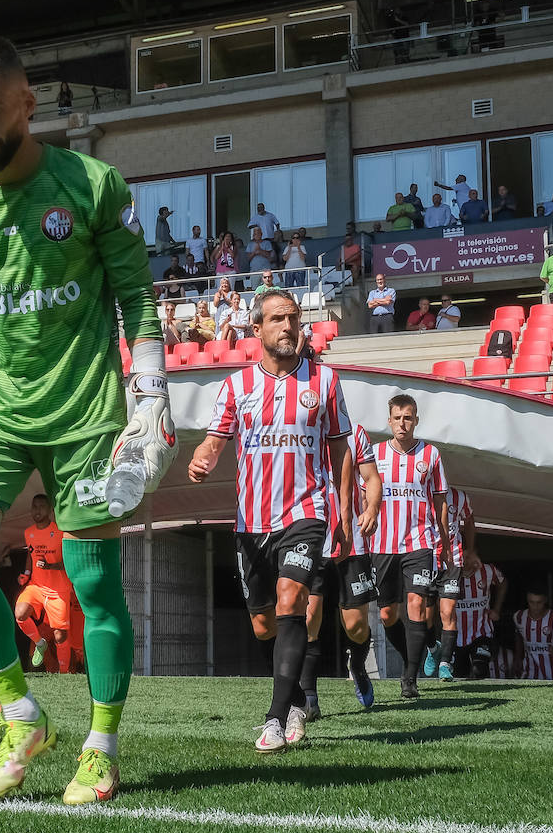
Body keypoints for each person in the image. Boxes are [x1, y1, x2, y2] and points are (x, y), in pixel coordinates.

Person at [0, 35, 174, 806]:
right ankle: (21, 714)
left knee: (94, 582)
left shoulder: (92, 185)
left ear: (28, 104)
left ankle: (101, 746)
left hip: (87, 414)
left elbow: (137, 295)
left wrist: (152, 393)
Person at [188, 290, 353, 752]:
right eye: (278, 318)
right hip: (252, 521)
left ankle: (276, 719)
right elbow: (213, 442)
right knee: (264, 624)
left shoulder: (325, 382)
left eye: (294, 318)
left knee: (292, 598)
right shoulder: (236, 386)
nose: (288, 325)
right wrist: (201, 459)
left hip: (307, 511)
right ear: (256, 329)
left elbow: (340, 449)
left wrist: (341, 509)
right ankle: (297, 698)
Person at [369, 394, 450, 698]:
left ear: (416, 420)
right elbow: (365, 498)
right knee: (388, 614)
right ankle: (411, 659)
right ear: (389, 421)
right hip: (382, 544)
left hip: (420, 541)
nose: (403, 423)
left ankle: (409, 678)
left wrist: (442, 539)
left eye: (408, 417)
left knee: (416, 605)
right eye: (397, 417)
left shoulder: (431, 454)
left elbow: (440, 500)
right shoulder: (375, 454)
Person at [302, 422, 382, 718]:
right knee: (309, 616)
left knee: (356, 627)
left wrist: (371, 509)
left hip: (352, 540)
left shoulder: (357, 433)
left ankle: (358, 665)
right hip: (309, 534)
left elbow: (372, 478)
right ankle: (309, 695)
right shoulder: (298, 428)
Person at [14, 494, 78, 673]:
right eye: (35, 506)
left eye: (42, 506)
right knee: (20, 614)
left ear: (50, 509)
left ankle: (64, 674)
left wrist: (52, 566)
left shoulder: (60, 532)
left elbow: (69, 560)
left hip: (59, 589)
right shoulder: (29, 533)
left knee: (60, 636)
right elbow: (30, 554)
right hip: (36, 586)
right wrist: (26, 574)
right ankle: (39, 643)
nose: (37, 510)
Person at [424, 484, 474, 681]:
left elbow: (469, 520)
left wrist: (470, 549)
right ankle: (433, 648)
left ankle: (445, 663)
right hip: (424, 558)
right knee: (423, 617)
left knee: (447, 611)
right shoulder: (419, 491)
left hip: (452, 559)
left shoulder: (459, 496)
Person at [455, 557, 506, 679]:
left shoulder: (488, 570)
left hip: (481, 632)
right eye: (463, 558)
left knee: (479, 670)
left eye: (469, 557)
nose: (466, 562)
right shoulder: (450, 571)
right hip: (455, 635)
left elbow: (503, 583)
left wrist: (497, 609)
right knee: (459, 675)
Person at [513, 588, 553, 680]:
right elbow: (518, 635)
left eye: (539, 602)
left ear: (545, 600)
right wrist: (518, 657)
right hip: (528, 673)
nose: (535, 606)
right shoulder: (519, 617)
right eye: (531, 602)